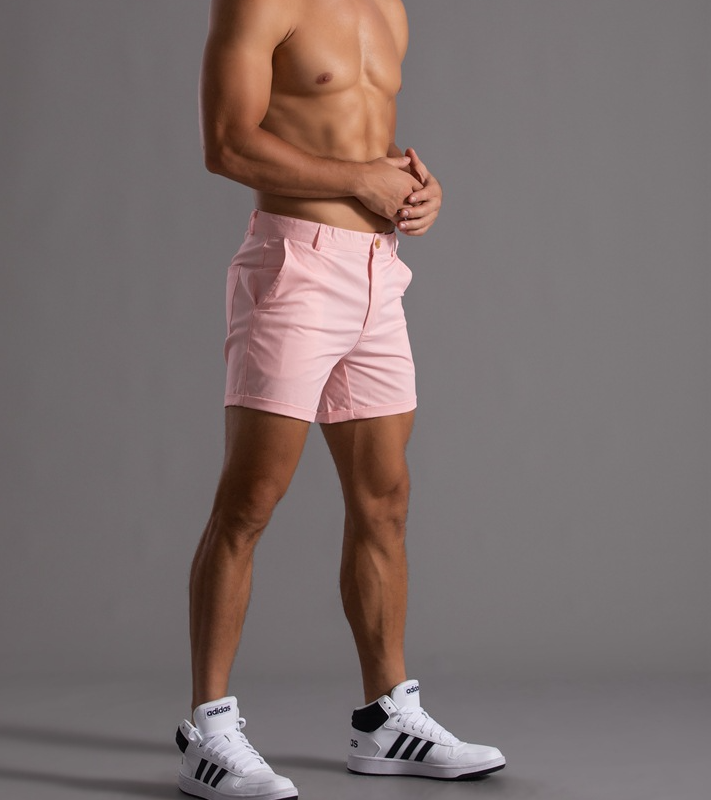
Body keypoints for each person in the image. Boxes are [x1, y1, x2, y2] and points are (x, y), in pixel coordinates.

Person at [175, 2, 505, 798]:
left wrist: (416, 187)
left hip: (377, 273)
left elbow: (359, 137)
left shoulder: (386, 6)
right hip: (295, 268)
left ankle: (386, 718)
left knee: (385, 496)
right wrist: (359, 180)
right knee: (250, 498)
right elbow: (227, 143)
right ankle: (208, 732)